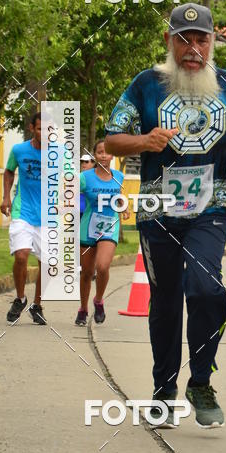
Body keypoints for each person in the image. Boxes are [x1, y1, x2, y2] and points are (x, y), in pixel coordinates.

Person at [104, 2, 226, 429]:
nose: (192, 47)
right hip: (157, 208)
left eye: (201, 39)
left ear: (212, 43)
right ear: (169, 41)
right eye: (183, 38)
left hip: (211, 205)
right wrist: (144, 142)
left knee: (205, 288)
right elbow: (112, 140)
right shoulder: (145, 85)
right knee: (166, 298)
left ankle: (201, 382)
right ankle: (164, 390)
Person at [77, 139, 129, 326]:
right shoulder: (85, 177)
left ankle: (98, 300)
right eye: (100, 152)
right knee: (87, 272)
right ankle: (83, 309)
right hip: (88, 227)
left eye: (107, 152)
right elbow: (68, 193)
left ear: (112, 154)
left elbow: (120, 198)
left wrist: (124, 208)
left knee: (103, 266)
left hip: (109, 226)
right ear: (95, 155)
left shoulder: (118, 176)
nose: (104, 155)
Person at [1, 111, 46, 325]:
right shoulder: (19, 150)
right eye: (40, 128)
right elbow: (9, 171)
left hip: (48, 217)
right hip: (23, 212)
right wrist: (5, 198)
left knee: (47, 264)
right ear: (32, 128)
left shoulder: (59, 154)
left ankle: (36, 305)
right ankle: (20, 298)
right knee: (21, 256)